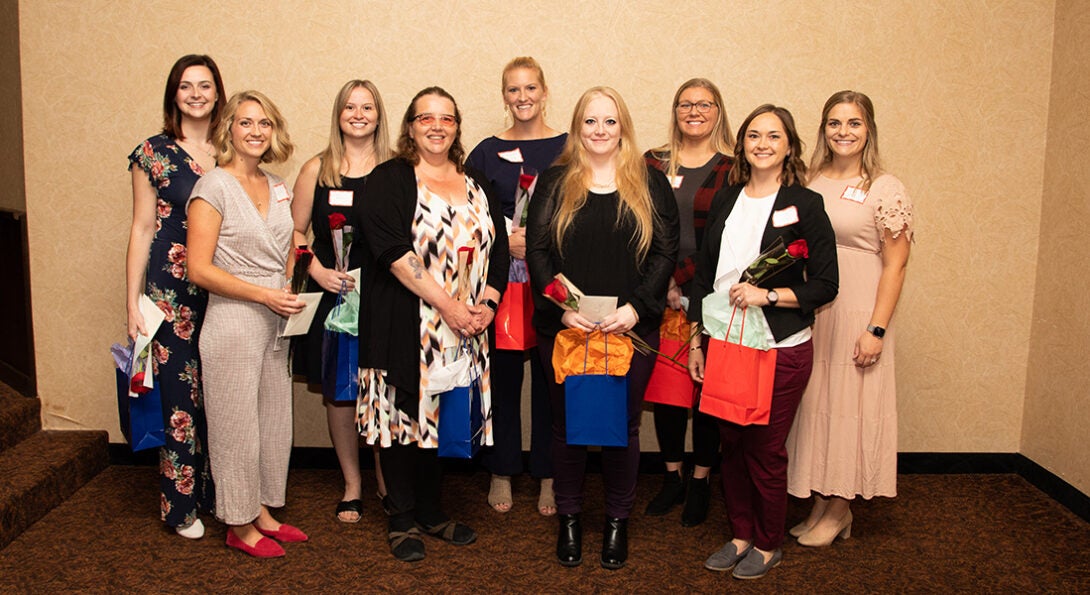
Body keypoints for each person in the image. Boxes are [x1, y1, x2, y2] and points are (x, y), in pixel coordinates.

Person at [526, 86, 679, 570]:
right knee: (566, 427)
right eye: (590, 122)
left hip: (629, 329)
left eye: (609, 122)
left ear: (623, 127)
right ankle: (569, 518)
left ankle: (617, 520)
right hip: (567, 328)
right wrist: (563, 308)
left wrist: (636, 308)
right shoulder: (553, 182)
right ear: (577, 128)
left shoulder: (650, 183)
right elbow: (538, 253)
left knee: (623, 427)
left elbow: (664, 253)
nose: (599, 131)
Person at [357, 87, 509, 562]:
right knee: (404, 421)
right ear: (410, 126)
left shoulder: (477, 180)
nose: (437, 126)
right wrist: (448, 305)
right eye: (426, 117)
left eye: (446, 118)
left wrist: (488, 301)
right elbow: (394, 255)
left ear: (457, 127)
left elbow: (498, 247)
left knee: (441, 419)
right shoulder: (389, 179)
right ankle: (401, 518)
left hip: (465, 326)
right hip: (409, 323)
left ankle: (430, 509)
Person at [687, 104, 838, 579]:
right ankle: (740, 533)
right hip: (725, 343)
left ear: (789, 145)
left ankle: (769, 542)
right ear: (743, 144)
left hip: (780, 347)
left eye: (774, 136)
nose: (763, 144)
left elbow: (826, 285)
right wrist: (696, 341)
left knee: (765, 448)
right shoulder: (727, 199)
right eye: (754, 135)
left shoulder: (805, 203)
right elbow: (704, 277)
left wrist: (768, 294)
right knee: (730, 444)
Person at [785, 91, 913, 546]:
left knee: (852, 406)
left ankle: (841, 509)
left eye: (854, 123)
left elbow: (896, 264)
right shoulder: (812, 180)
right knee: (819, 404)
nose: (844, 132)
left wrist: (876, 329)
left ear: (868, 129)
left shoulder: (884, 186)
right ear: (823, 130)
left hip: (860, 308)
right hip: (819, 309)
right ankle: (821, 500)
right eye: (835, 123)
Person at [187, 90, 306, 558]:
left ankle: (260, 510)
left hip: (275, 319)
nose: (256, 131)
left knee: (272, 422)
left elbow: (290, 244)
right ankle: (237, 523)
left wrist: (298, 280)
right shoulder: (213, 186)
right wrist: (263, 293)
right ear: (228, 130)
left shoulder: (277, 184)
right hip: (235, 319)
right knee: (235, 425)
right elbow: (199, 268)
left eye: (265, 123)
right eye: (246, 122)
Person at [125, 54, 225, 540]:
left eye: (205, 86)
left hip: (226, 287)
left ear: (217, 93)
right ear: (174, 94)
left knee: (220, 395)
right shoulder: (153, 152)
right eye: (187, 86)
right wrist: (132, 304)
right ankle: (180, 505)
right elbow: (143, 228)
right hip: (172, 292)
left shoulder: (232, 148)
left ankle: (221, 495)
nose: (196, 94)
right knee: (180, 399)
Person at [466, 57, 567, 516]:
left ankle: (549, 473)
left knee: (551, 379)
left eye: (530, 88)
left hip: (553, 281)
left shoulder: (570, 148)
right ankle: (502, 468)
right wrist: (505, 240)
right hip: (501, 279)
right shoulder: (486, 152)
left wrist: (540, 242)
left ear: (544, 91)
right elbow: (465, 212)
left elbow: (584, 207)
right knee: (503, 379)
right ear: (503, 95)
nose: (522, 97)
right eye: (512, 90)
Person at [290, 80, 392, 523]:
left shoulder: (396, 169)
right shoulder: (317, 168)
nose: (358, 114)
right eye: (350, 106)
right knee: (341, 394)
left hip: (385, 298)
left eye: (366, 107)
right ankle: (352, 484)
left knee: (384, 390)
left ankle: (387, 482)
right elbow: (294, 233)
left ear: (378, 114)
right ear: (339, 114)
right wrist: (314, 270)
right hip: (333, 298)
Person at [642, 78, 734, 526]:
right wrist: (661, 284)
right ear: (675, 109)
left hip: (714, 293)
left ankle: (701, 479)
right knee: (669, 393)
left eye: (704, 104)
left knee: (706, 395)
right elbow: (639, 226)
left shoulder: (734, 168)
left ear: (718, 111)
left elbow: (725, 240)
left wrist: (680, 280)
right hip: (658, 293)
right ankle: (672, 475)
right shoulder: (651, 162)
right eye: (685, 103)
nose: (694, 111)